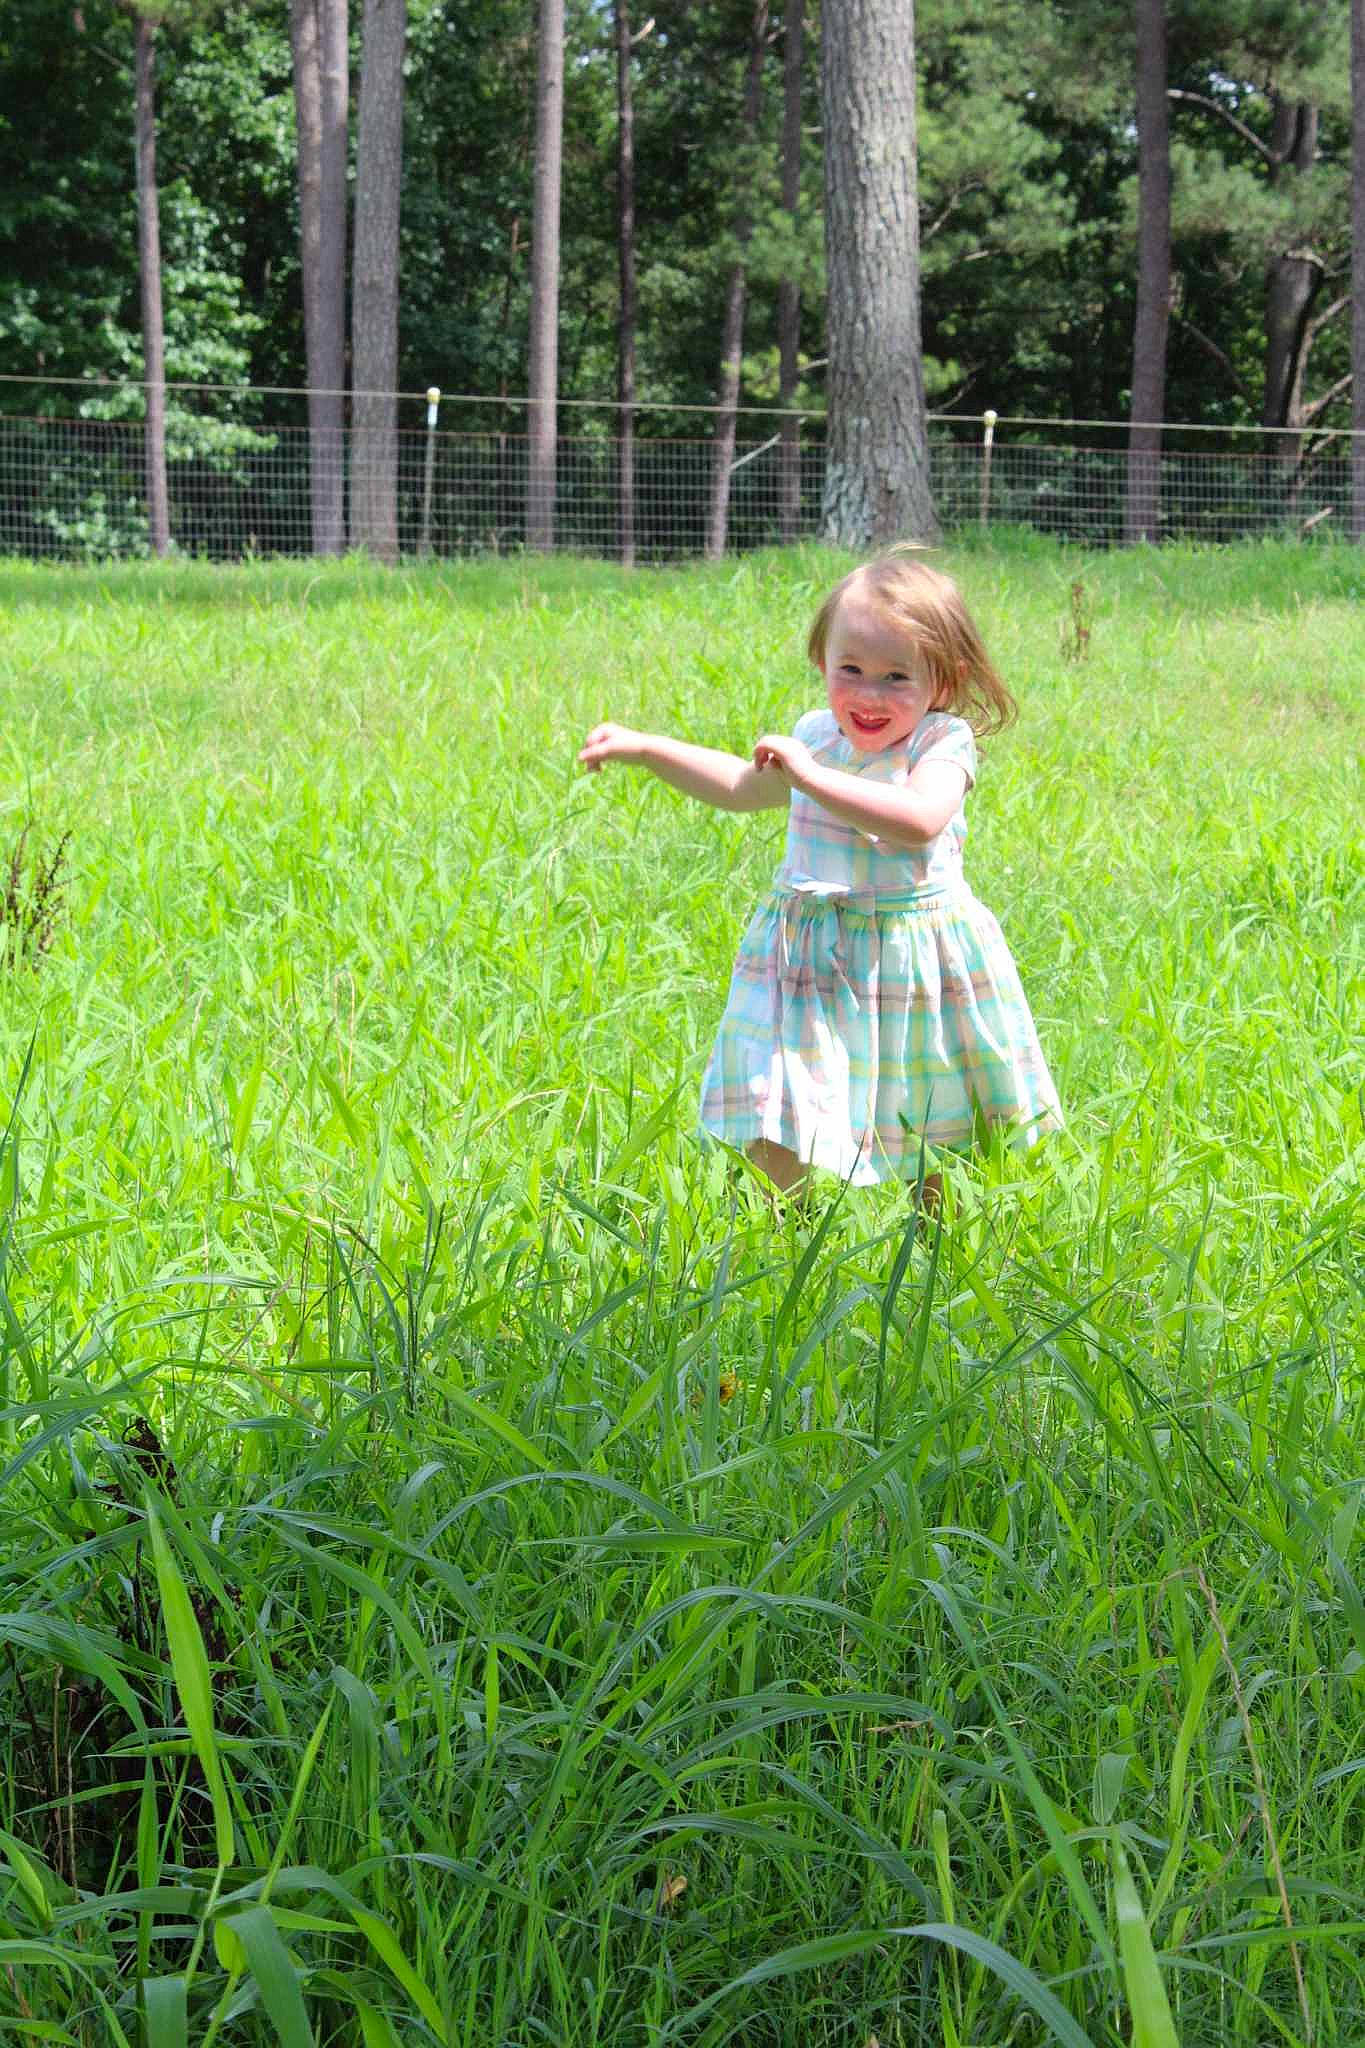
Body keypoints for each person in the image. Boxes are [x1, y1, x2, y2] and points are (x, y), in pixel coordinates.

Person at [578, 550, 1062, 1197]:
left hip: (910, 962)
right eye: (850, 669)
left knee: (929, 1118)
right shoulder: (816, 735)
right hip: (809, 960)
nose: (868, 694)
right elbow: (738, 786)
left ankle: (935, 1245)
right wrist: (645, 747)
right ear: (821, 661)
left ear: (944, 682)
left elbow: (919, 819)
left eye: (896, 677)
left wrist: (809, 776)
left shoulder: (940, 742)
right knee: (778, 1104)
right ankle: (786, 1233)